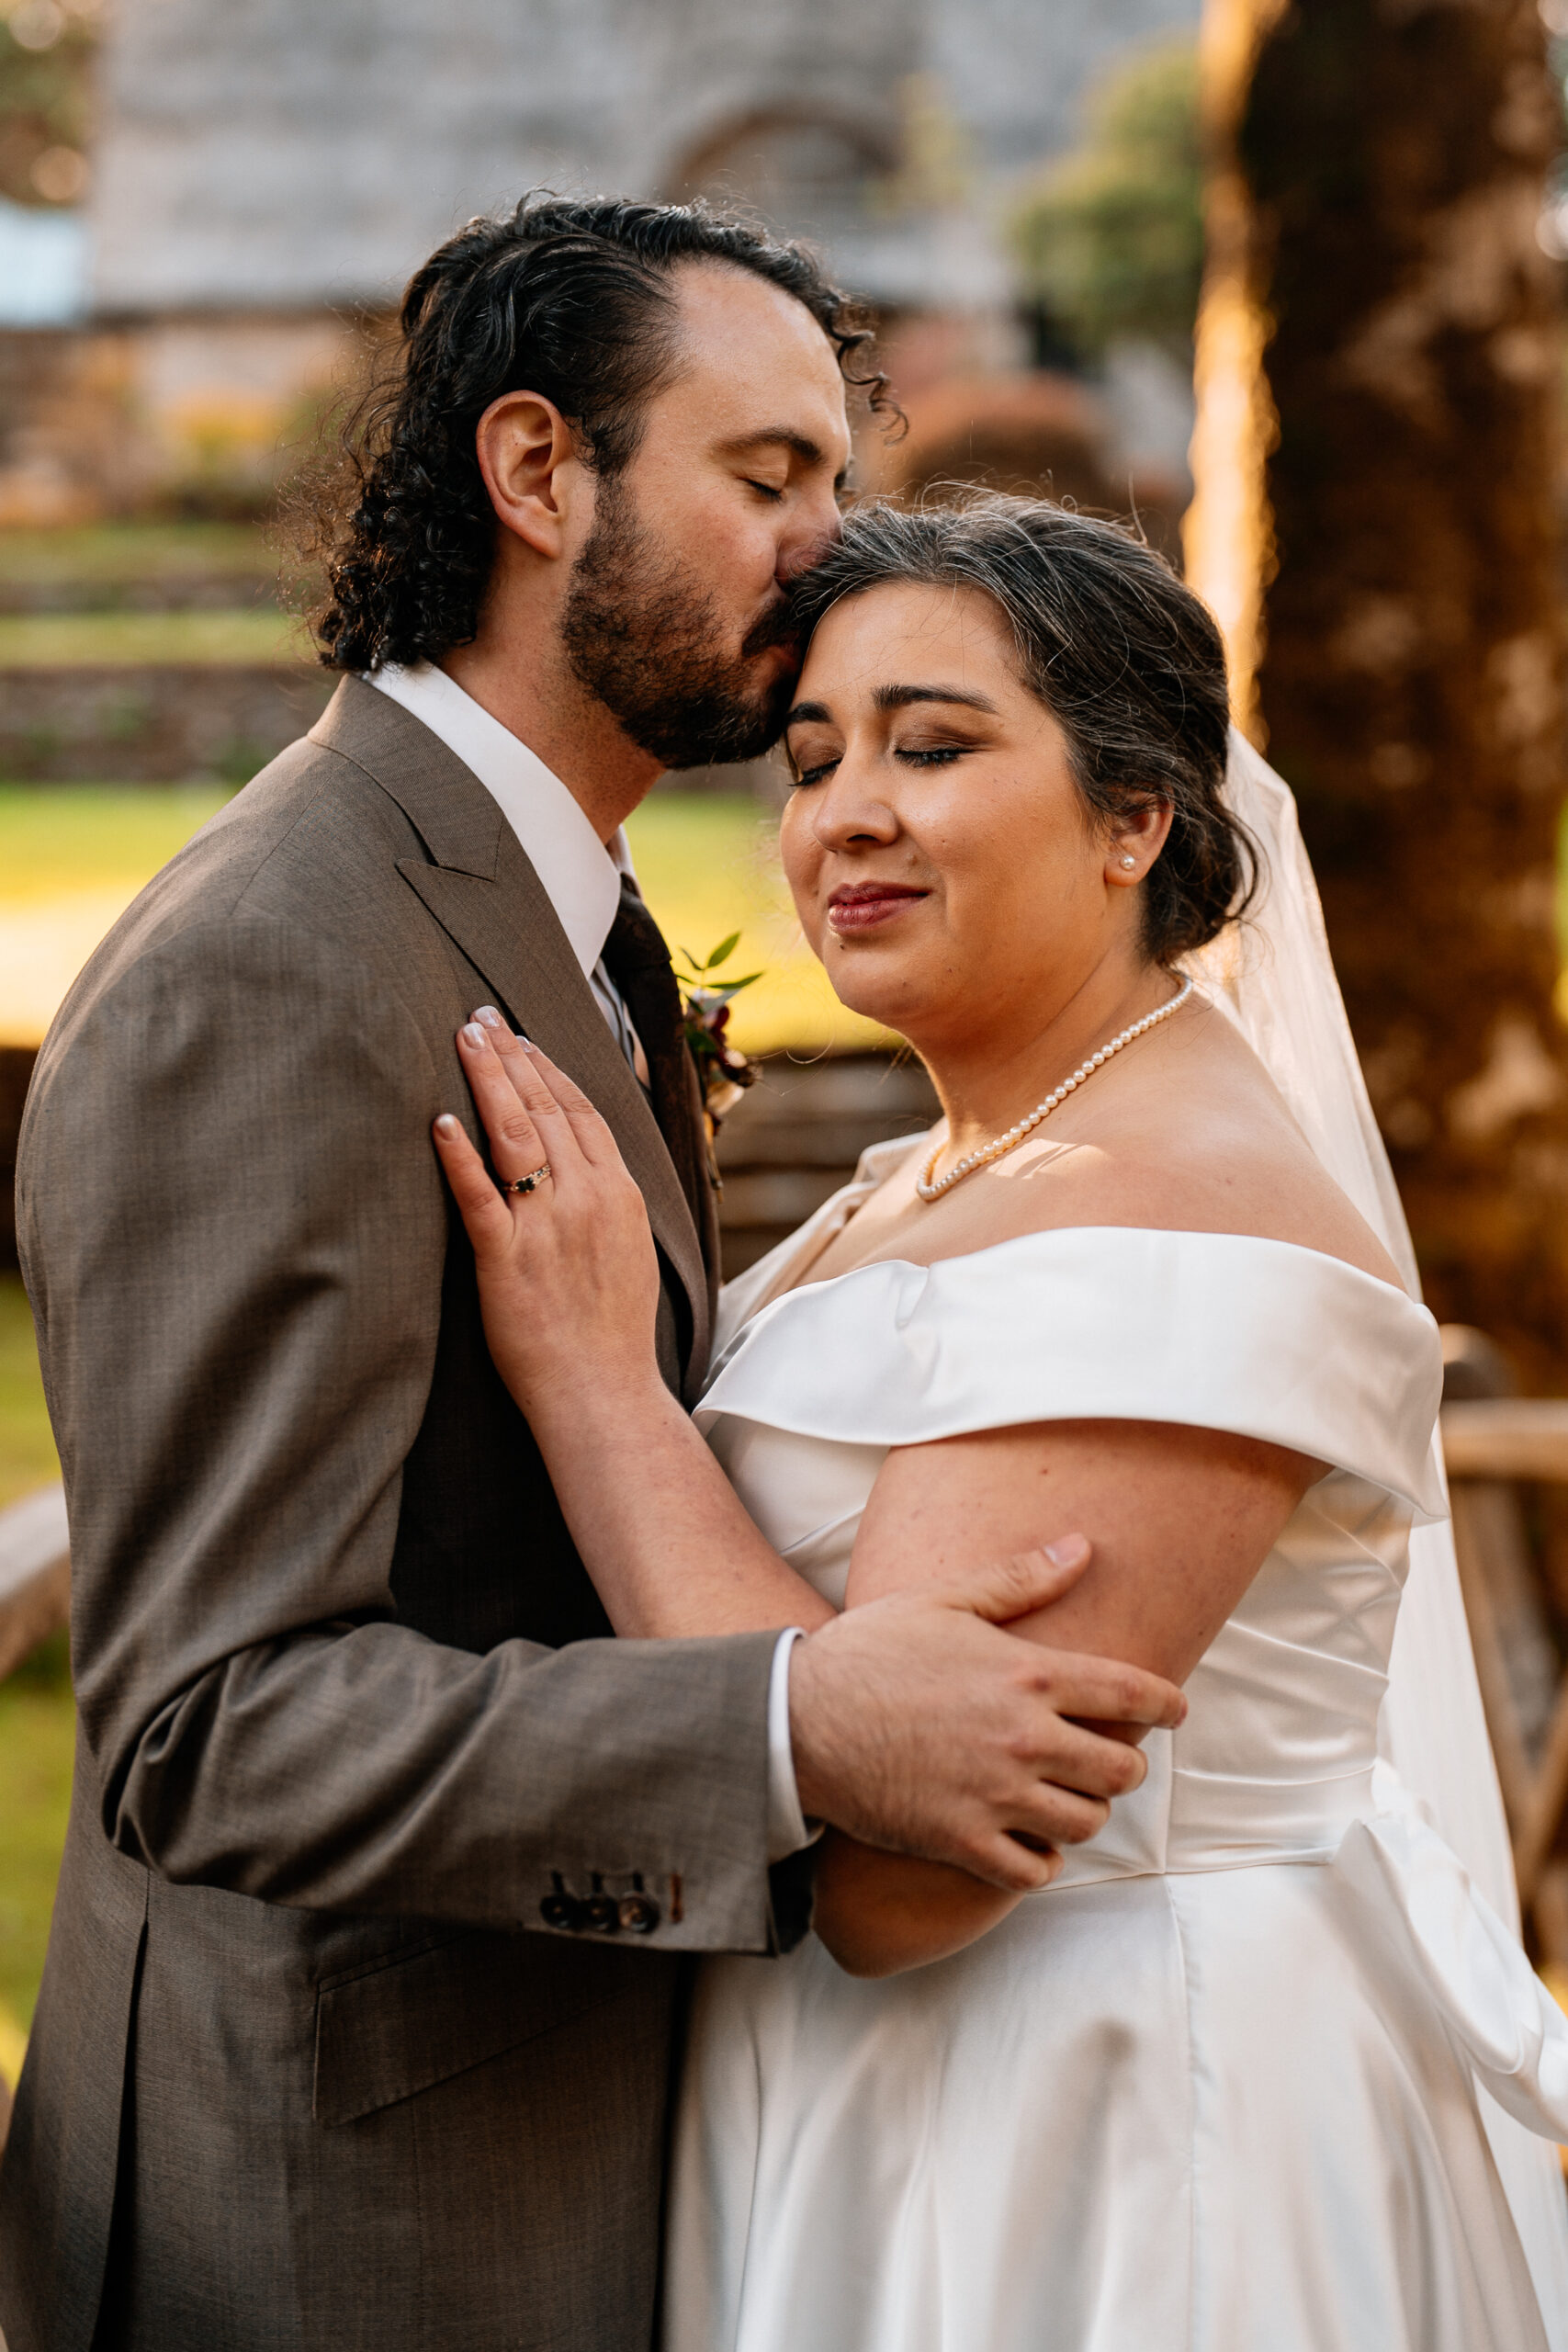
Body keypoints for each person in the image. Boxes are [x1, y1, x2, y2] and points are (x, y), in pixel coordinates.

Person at [0, 206, 1190, 2352]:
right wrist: (788, 1719)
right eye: (766, 479)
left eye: (837, 479)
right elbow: (209, 1722)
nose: (831, 552)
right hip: (348, 2209)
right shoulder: (273, 967)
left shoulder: (551, 900)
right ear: (539, 475)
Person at [438, 495, 1568, 2351]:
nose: (843, 812)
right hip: (869, 2096)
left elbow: (896, 1878)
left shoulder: (1165, 1221)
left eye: (930, 744)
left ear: (1137, 817)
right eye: (810, 759)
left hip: (1082, 2135)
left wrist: (589, 1385)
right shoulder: (942, 1171)